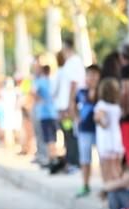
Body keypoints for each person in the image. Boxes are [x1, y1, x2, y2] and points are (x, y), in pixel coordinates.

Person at [55, 40, 86, 173]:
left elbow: (74, 84)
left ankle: (75, 162)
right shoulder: (68, 63)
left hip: (69, 106)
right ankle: (70, 160)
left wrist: (70, 104)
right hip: (64, 105)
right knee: (67, 134)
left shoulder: (74, 62)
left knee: (72, 134)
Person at [75, 64, 101, 197]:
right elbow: (74, 104)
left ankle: (106, 185)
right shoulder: (81, 92)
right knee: (85, 158)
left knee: (103, 157)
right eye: (89, 75)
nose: (92, 78)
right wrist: (76, 117)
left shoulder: (102, 92)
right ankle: (85, 184)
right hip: (84, 129)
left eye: (94, 75)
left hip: (100, 130)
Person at [94, 77, 124, 182]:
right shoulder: (117, 106)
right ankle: (117, 185)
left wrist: (103, 125)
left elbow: (97, 118)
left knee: (106, 166)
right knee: (116, 165)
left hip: (106, 139)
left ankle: (109, 188)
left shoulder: (102, 105)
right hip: (117, 137)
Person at [33, 65, 61, 173]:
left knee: (48, 138)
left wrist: (40, 100)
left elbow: (34, 92)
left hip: (44, 113)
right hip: (54, 112)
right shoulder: (53, 81)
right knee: (53, 137)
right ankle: (53, 158)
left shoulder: (40, 81)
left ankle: (51, 159)